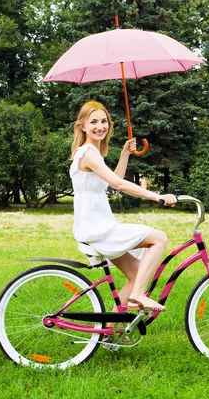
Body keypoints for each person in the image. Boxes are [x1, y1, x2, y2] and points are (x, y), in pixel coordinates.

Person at [70, 100, 176, 313]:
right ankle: (138, 295)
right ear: (82, 126)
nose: (100, 126)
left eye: (104, 121)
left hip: (99, 225)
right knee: (159, 238)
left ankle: (111, 332)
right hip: (97, 228)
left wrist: (124, 154)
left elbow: (112, 181)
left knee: (137, 275)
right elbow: (119, 184)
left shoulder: (93, 153)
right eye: (93, 122)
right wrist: (157, 196)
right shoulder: (88, 153)